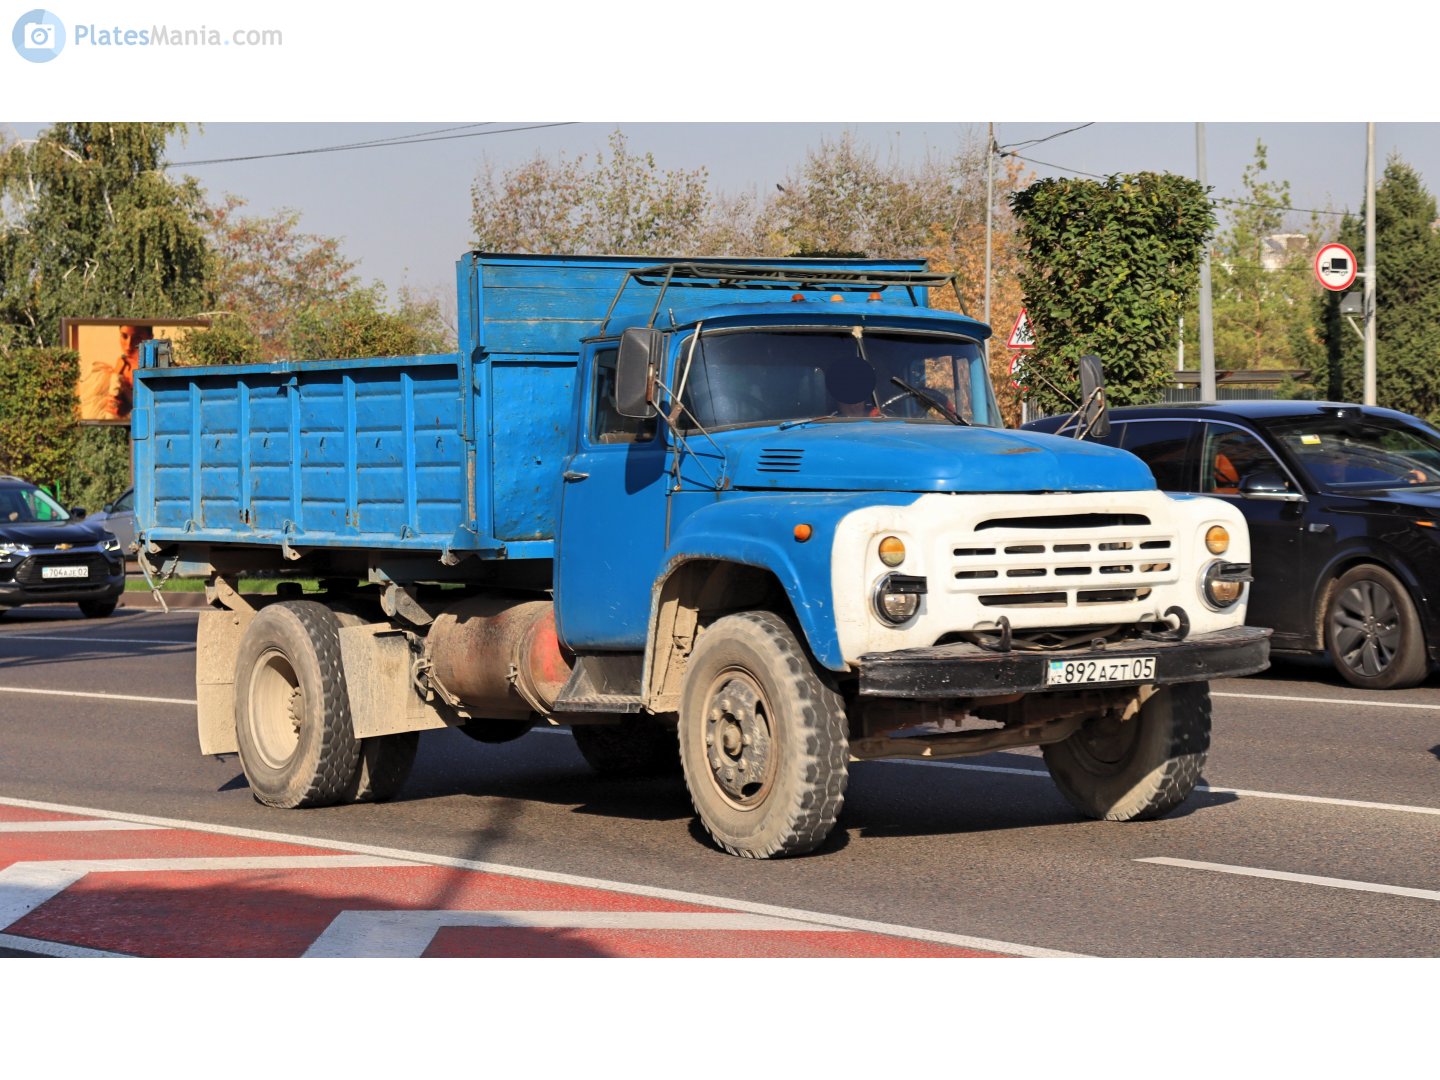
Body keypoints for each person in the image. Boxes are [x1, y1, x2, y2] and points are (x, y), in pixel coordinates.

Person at [78, 324, 152, 422]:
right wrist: (116, 373)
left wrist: (129, 412)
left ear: (150, 338)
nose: (129, 344)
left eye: (137, 338)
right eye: (124, 336)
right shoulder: (103, 374)